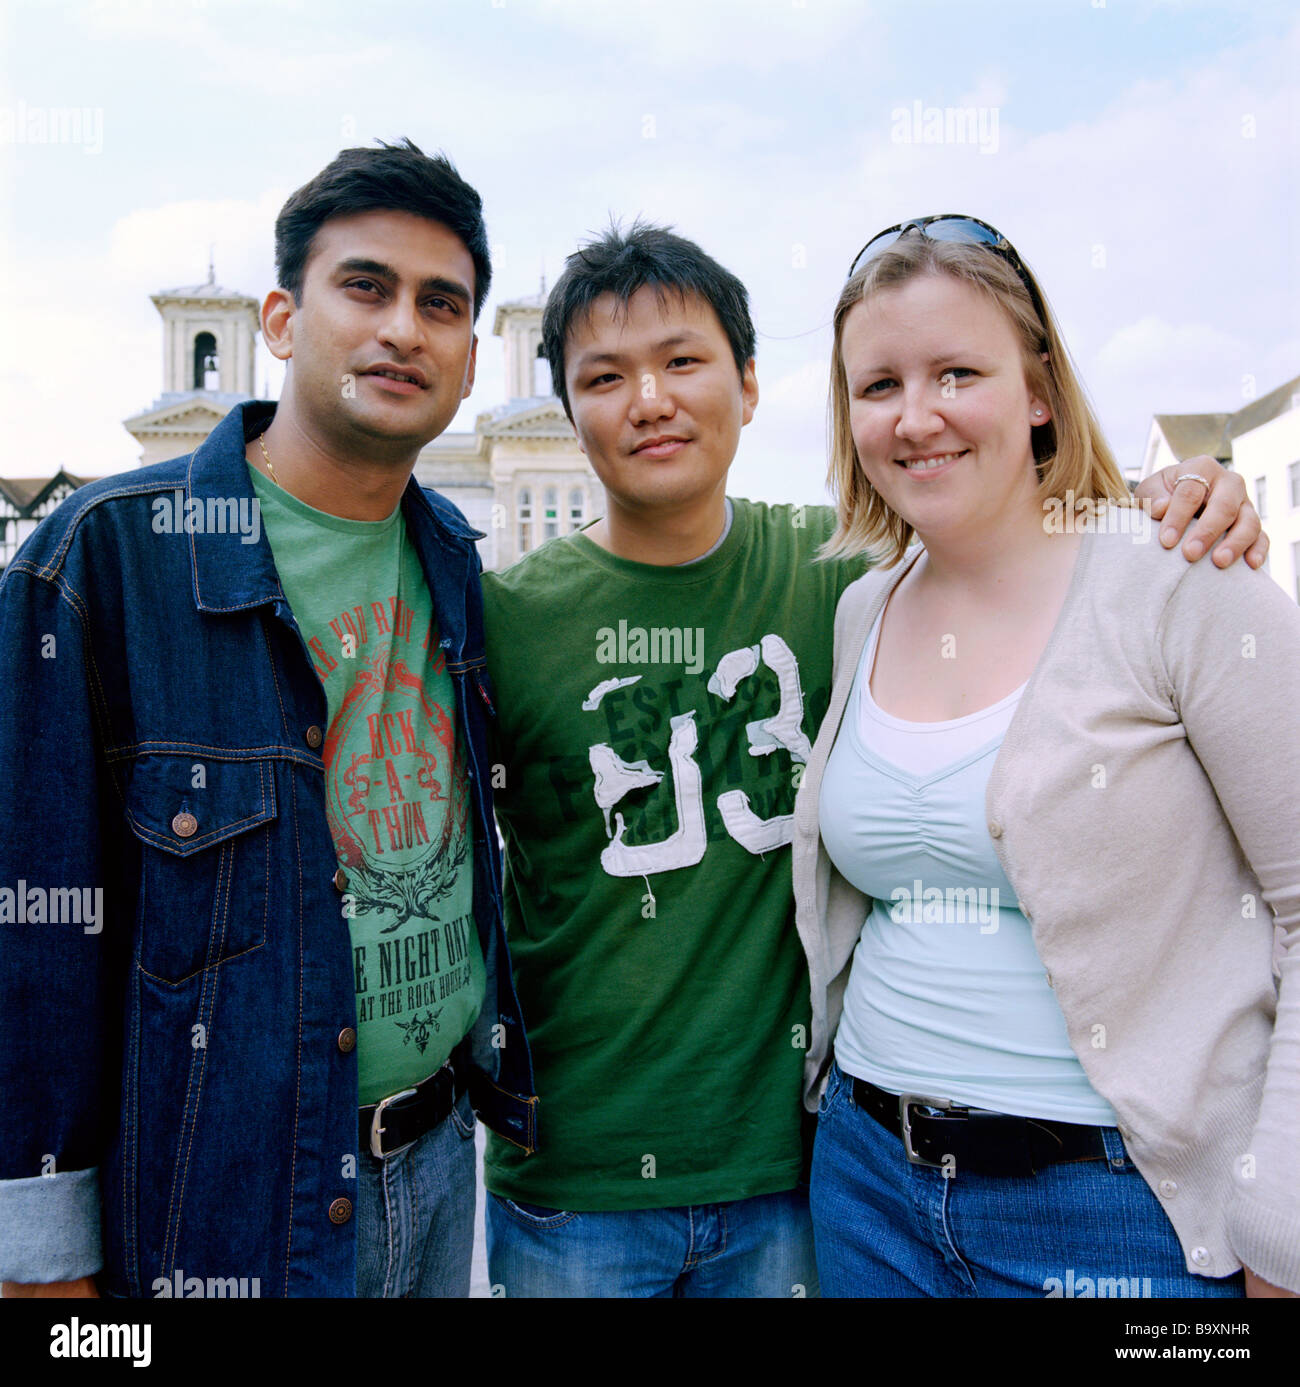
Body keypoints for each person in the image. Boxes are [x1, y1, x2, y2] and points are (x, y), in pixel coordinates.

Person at [478, 220, 1263, 1297]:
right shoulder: (526, 616)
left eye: (683, 360)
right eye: (605, 376)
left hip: (1016, 1192)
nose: (649, 399)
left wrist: (1193, 490)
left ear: (750, 386)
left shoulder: (856, 574)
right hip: (788, 1179)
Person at [0, 139, 536, 1300]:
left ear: (469, 353)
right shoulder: (104, 561)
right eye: (367, 286)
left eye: (441, 304)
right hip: (227, 1199)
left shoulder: (451, 557)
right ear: (283, 319)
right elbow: (34, 925)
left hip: (441, 1170)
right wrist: (41, 1264)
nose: (404, 327)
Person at [792, 215, 1299, 1298]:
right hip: (869, 1183)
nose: (914, 415)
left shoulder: (1180, 580)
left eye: (956, 372)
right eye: (877, 385)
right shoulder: (863, 610)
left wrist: (1280, 1228)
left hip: (1123, 1213)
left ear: (1037, 390)